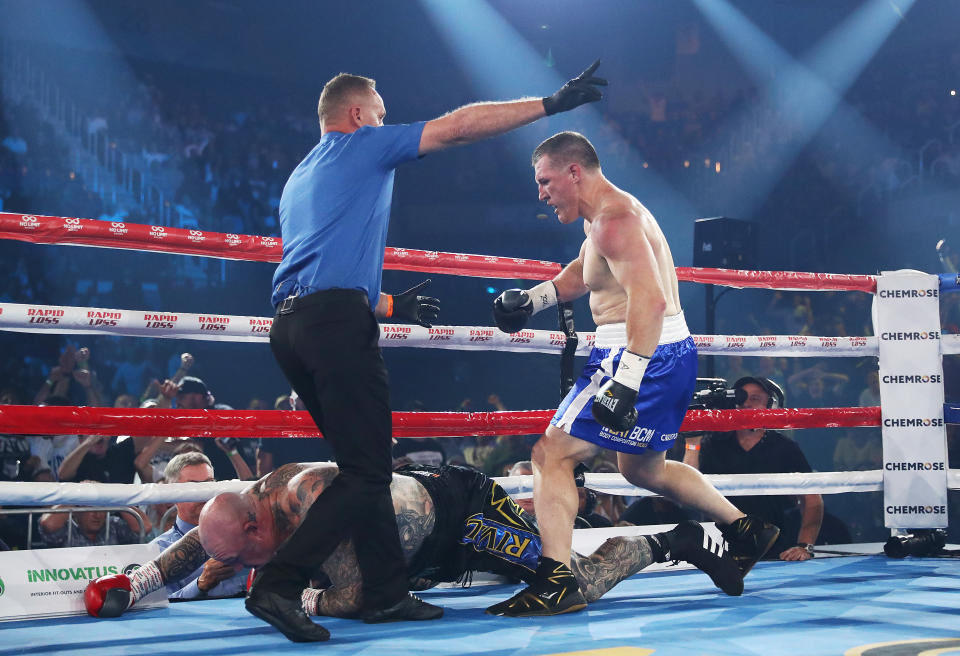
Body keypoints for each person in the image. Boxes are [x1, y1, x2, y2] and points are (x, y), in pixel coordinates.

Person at [258, 63, 608, 640]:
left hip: (295, 327)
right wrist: (549, 105)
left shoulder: (302, 176)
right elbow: (457, 128)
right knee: (369, 472)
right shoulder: (361, 146)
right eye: (380, 112)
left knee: (361, 466)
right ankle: (278, 584)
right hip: (333, 326)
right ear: (356, 116)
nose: (385, 121)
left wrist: (389, 306)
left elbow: (323, 266)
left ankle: (387, 595)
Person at [489, 131, 779, 616]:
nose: (541, 192)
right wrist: (531, 301)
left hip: (636, 352)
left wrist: (625, 381)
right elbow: (584, 276)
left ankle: (555, 580)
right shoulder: (608, 216)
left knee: (550, 455)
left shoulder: (613, 220)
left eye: (545, 180)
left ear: (573, 171)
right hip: (667, 351)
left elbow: (650, 299)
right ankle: (744, 528)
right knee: (641, 468)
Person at [84, 462, 742, 628]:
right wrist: (135, 584)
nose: (232, 564)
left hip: (460, 518)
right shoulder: (251, 508)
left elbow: (365, 593)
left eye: (242, 556)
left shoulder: (313, 508)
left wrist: (301, 598)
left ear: (260, 530)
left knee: (570, 587)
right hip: (417, 545)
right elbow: (205, 544)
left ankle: (676, 538)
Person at [683, 377, 824, 562]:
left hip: (772, 549)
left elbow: (812, 499)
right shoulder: (713, 443)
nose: (747, 404)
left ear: (770, 405)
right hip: (718, 549)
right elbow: (686, 490)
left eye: (755, 399)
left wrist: (805, 545)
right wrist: (692, 443)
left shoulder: (784, 447)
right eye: (741, 398)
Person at [149, 452, 249, 599]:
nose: (204, 494)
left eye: (209, 484)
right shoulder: (158, 549)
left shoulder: (246, 535)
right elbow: (159, 606)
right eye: (193, 487)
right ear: (172, 494)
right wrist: (200, 584)